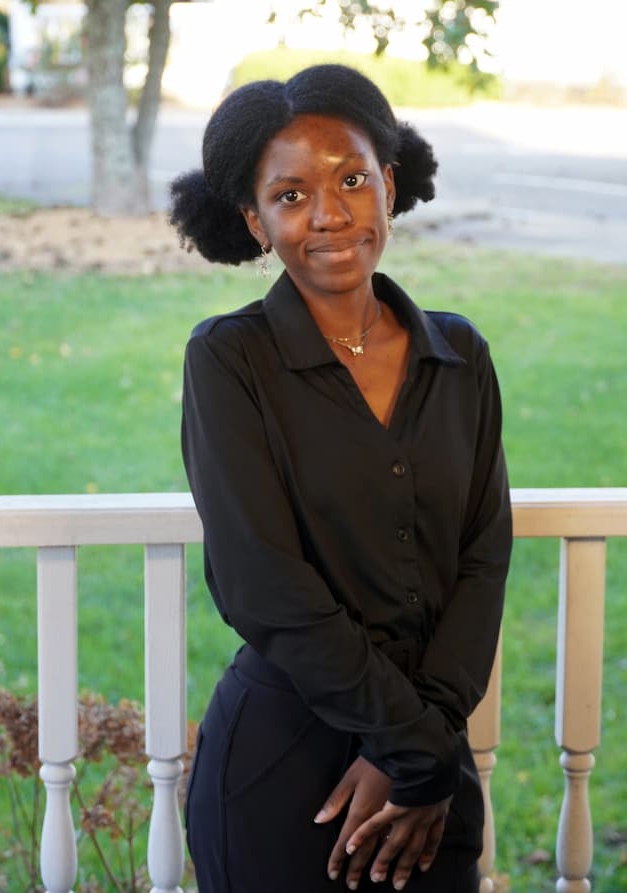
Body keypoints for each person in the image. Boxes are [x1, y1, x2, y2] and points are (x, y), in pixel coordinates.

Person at [171, 63, 512, 893]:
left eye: (353, 179)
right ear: (254, 221)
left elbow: (482, 556)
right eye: (290, 197)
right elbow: (263, 586)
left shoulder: (459, 355)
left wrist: (422, 756)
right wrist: (417, 752)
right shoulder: (229, 359)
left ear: (389, 185)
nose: (330, 214)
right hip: (285, 766)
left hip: (429, 768)